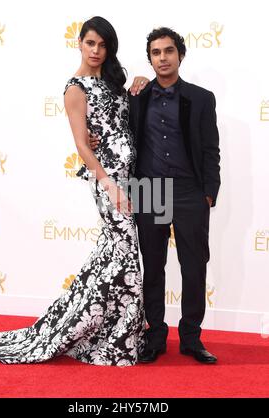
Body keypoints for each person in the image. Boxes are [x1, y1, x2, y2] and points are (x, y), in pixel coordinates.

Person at [0, 16, 146, 367]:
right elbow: (82, 146)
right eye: (90, 43)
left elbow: (122, 122)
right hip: (108, 180)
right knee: (126, 251)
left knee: (114, 252)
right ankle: (115, 338)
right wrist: (107, 183)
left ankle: (102, 328)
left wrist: (139, 84)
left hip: (132, 174)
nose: (96, 51)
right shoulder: (76, 88)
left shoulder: (116, 81)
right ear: (80, 43)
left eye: (103, 45)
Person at [91, 27, 221, 364]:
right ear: (149, 58)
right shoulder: (137, 96)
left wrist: (209, 192)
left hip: (190, 192)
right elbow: (110, 125)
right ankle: (155, 336)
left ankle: (191, 338)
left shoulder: (202, 98)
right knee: (153, 267)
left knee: (194, 267)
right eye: (155, 53)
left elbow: (210, 149)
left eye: (168, 51)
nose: (162, 58)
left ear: (179, 55)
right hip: (149, 189)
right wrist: (92, 140)